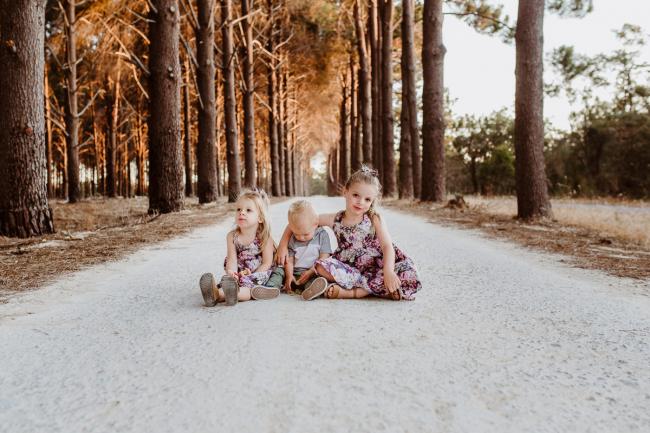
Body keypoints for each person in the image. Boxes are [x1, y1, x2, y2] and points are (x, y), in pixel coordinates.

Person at [277, 165, 421, 300]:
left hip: (376, 267)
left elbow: (387, 247)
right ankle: (372, 290)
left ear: (372, 201)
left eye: (367, 199)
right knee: (321, 266)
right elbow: (303, 221)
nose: (361, 202)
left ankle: (352, 292)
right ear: (345, 191)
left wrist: (389, 271)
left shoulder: (374, 218)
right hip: (348, 269)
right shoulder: (335, 219)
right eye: (356, 195)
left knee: (407, 272)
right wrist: (283, 244)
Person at [200, 188, 280, 306]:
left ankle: (223, 295)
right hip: (239, 273)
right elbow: (232, 259)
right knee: (229, 282)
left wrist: (252, 276)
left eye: (248, 210)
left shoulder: (265, 238)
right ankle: (216, 294)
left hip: (259, 273)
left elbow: (267, 263)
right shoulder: (232, 236)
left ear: (260, 218)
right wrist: (231, 272)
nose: (242, 212)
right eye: (239, 209)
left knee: (248, 289)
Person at [265, 200, 335, 300]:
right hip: (293, 272)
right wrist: (289, 275)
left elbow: (324, 257)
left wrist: (311, 272)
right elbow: (289, 259)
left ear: (315, 224)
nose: (301, 238)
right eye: (296, 234)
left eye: (305, 234)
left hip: (312, 272)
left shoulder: (322, 235)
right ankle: (271, 287)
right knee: (278, 270)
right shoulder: (293, 238)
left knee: (318, 279)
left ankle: (311, 291)